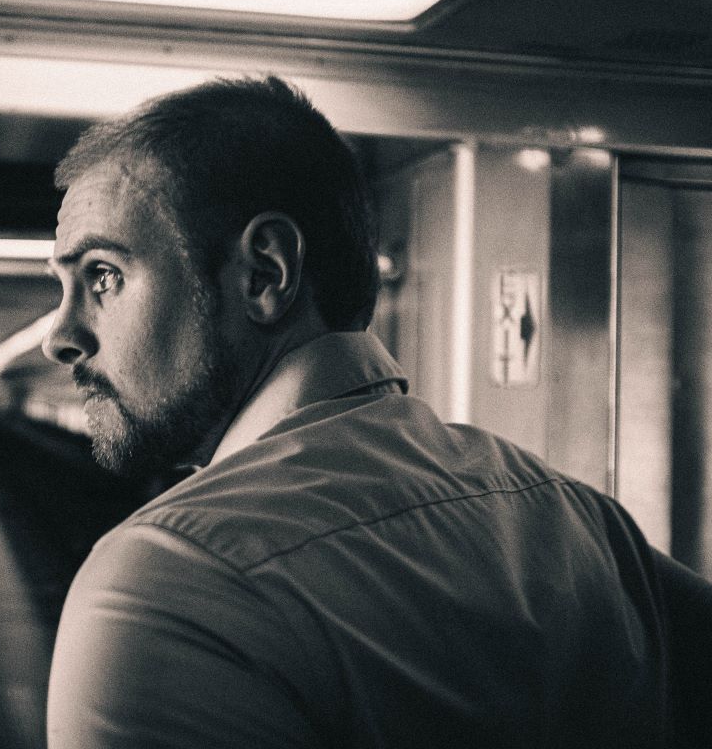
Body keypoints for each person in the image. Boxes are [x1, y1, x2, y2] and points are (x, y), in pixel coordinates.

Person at [40, 76, 702, 748]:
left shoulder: (169, 586)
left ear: (263, 274)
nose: (58, 335)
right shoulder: (582, 522)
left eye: (102, 276)